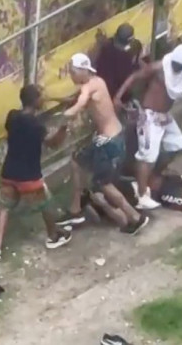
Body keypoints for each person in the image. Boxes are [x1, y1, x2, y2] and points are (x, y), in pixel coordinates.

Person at [113, 44, 182, 210]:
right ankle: (142, 194)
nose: (175, 68)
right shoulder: (159, 67)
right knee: (147, 156)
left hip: (164, 117)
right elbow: (135, 77)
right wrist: (118, 97)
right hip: (149, 116)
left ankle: (153, 175)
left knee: (177, 144)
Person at [55, 53, 149, 235]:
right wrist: (51, 99)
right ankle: (76, 208)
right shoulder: (98, 81)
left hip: (108, 141)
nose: (71, 76)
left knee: (103, 183)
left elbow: (79, 103)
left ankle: (136, 217)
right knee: (77, 160)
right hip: (112, 136)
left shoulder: (87, 87)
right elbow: (76, 99)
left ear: (83, 71)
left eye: (73, 72)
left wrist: (63, 117)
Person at [0, 85, 71, 262]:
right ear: (35, 101)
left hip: (9, 173)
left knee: (4, 208)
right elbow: (53, 144)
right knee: (45, 204)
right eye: (42, 97)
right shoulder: (36, 125)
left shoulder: (12, 116)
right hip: (29, 177)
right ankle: (53, 236)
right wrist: (63, 127)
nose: (44, 99)